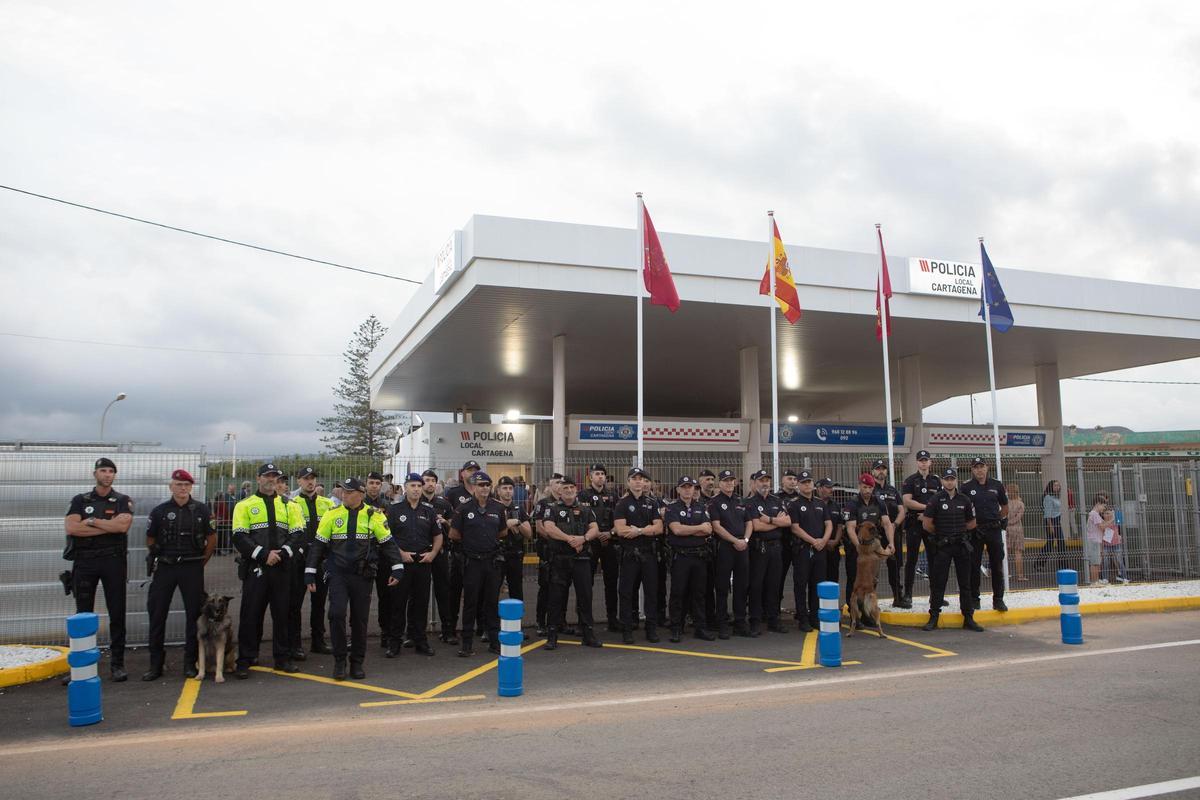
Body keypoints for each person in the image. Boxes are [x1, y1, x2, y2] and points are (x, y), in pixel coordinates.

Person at [306, 477, 403, 680]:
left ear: (360, 494)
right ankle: (339, 661)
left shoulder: (374, 515)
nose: (344, 495)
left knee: (359, 619)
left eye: (349, 492)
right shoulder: (331, 514)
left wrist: (397, 567)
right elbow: (318, 545)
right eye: (343, 491)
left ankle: (357, 662)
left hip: (362, 575)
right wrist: (310, 571)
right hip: (338, 574)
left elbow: (388, 543)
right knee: (336, 614)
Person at [232, 462, 305, 678]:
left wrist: (281, 554)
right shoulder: (244, 505)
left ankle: (282, 658)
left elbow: (298, 534)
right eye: (267, 476)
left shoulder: (290, 505)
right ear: (258, 478)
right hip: (256, 568)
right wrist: (264, 555)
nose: (271, 479)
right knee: (250, 615)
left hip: (282, 568)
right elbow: (239, 536)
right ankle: (246, 658)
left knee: (283, 615)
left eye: (275, 476)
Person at [64, 457, 134, 682]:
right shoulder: (80, 500)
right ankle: (81, 665)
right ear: (95, 474)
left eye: (111, 471)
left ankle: (117, 664)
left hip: (113, 561)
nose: (107, 474)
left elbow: (122, 526)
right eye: (103, 470)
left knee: (117, 612)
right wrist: (107, 526)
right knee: (83, 614)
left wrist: (91, 522)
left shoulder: (122, 500)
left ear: (114, 475)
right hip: (85, 562)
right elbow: (72, 528)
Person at [142, 469, 216, 681]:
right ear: (171, 487)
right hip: (165, 567)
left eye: (186, 485)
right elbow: (150, 538)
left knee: (194, 616)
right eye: (178, 484)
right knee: (157, 614)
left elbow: (212, 538)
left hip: (191, 567)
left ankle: (190, 663)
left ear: (191, 487)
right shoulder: (160, 511)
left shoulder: (202, 510)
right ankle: (156, 664)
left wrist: (201, 563)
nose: (182, 488)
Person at [542, 476, 603, 649]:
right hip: (560, 559)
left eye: (571, 488)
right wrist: (570, 539)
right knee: (556, 598)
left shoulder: (585, 509)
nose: (569, 490)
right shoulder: (552, 508)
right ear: (559, 491)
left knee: (585, 597)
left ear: (576, 490)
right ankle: (552, 636)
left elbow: (595, 529)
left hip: (581, 559)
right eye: (565, 488)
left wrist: (583, 539)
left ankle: (588, 634)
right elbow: (549, 528)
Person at [448, 471, 505, 657]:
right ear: (473, 487)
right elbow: (454, 534)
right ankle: (467, 644)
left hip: (491, 561)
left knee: (492, 602)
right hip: (472, 562)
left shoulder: (498, 507)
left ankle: (494, 642)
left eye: (487, 485)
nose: (485, 488)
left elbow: (502, 531)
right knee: (470, 603)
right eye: (481, 485)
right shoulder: (463, 508)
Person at [386, 473, 442, 657]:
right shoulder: (394, 510)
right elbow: (387, 537)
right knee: (398, 604)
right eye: (413, 485)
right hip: (401, 564)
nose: (416, 489)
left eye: (419, 486)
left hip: (422, 563)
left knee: (421, 604)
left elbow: (438, 535)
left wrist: (433, 554)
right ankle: (394, 643)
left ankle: (420, 641)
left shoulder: (428, 511)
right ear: (405, 488)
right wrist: (400, 554)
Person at [922, 468, 983, 632]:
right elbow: (927, 524)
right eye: (947, 479)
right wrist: (942, 534)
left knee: (965, 583)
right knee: (939, 583)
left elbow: (972, 523)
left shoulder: (965, 499)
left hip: (961, 546)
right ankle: (934, 617)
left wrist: (959, 532)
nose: (949, 482)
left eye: (952, 479)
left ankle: (968, 618)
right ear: (942, 481)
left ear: (956, 480)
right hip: (943, 546)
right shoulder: (935, 499)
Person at [288, 466, 334, 658]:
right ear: (298, 481)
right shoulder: (292, 503)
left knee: (319, 603)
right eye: (306, 478)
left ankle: (318, 641)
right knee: (295, 604)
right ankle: (295, 644)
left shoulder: (327, 503)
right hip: (299, 561)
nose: (310, 482)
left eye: (313, 478)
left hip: (321, 561)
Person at [662, 476, 715, 643]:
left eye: (690, 487)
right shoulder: (672, 508)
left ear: (694, 489)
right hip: (681, 557)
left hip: (699, 556)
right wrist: (698, 528)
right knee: (678, 593)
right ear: (678, 489)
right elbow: (677, 530)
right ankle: (676, 628)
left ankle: (700, 628)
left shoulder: (701, 507)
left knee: (699, 593)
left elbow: (708, 530)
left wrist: (689, 529)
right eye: (684, 487)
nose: (687, 490)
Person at [614, 467, 663, 644]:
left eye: (641, 479)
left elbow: (659, 528)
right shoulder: (622, 504)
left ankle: (651, 629)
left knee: (651, 592)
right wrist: (647, 530)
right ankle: (627, 630)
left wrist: (639, 531)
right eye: (634, 479)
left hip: (648, 554)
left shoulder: (652, 503)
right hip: (630, 555)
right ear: (628, 482)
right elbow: (621, 530)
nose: (638, 482)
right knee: (626, 593)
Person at [844, 473, 896, 626]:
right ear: (859, 486)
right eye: (865, 487)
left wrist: (891, 543)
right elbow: (850, 528)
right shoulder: (853, 503)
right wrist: (858, 547)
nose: (867, 490)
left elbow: (887, 523)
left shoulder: (878, 502)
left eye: (870, 487)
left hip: (872, 548)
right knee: (855, 582)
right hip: (856, 549)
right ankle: (855, 616)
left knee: (871, 582)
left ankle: (867, 614)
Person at [785, 470, 832, 633]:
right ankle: (803, 618)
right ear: (798, 485)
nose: (807, 485)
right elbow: (795, 528)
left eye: (809, 482)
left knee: (817, 585)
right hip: (803, 550)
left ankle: (814, 617)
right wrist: (814, 541)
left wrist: (823, 540)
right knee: (801, 585)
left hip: (820, 550)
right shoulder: (794, 504)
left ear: (813, 484)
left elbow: (829, 524)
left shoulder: (820, 503)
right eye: (803, 482)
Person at [745, 469, 790, 635]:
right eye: (761, 480)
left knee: (774, 585)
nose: (765, 483)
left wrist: (770, 520)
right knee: (756, 585)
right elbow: (756, 526)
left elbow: (788, 521)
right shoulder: (750, 502)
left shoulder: (776, 500)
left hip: (776, 548)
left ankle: (773, 620)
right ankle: (755, 621)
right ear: (755, 483)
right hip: (759, 548)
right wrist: (778, 522)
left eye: (767, 480)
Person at [962, 457, 1009, 612]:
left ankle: (998, 600)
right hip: (975, 531)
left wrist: (996, 519)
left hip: (993, 530)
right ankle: (974, 599)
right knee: (973, 566)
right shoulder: (966, 487)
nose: (979, 470)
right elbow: (962, 508)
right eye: (976, 467)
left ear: (987, 468)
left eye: (982, 466)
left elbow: (1005, 506)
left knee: (996, 565)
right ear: (972, 470)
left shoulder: (997, 485)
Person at [708, 469, 751, 639]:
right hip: (725, 547)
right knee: (722, 586)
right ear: (720, 483)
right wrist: (735, 541)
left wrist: (745, 540)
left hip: (742, 546)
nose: (729, 483)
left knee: (742, 585)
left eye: (731, 480)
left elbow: (749, 523)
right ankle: (722, 622)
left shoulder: (741, 500)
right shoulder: (714, 502)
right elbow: (716, 526)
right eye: (725, 480)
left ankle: (740, 621)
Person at [443, 461, 480, 642]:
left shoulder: (483, 492)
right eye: (469, 470)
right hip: (459, 550)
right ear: (462, 474)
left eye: (475, 471)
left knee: (478, 591)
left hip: (479, 551)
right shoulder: (453, 494)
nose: (472, 473)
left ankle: (481, 628)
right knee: (454, 592)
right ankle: (450, 630)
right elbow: (448, 519)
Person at [579, 464, 618, 632]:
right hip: (591, 543)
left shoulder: (613, 495)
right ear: (590, 477)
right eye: (597, 473)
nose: (600, 476)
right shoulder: (583, 495)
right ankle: (584, 622)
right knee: (586, 584)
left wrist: (610, 533)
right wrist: (595, 533)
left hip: (609, 541)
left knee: (611, 582)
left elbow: (619, 518)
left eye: (602, 474)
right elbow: (582, 518)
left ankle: (612, 619)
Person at [420, 470, 457, 645]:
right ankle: (415, 633)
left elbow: (454, 529)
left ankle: (447, 631)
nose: (430, 483)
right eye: (426, 480)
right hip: (420, 553)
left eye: (432, 480)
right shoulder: (415, 502)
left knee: (444, 592)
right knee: (418, 594)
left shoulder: (444, 504)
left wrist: (445, 522)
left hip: (440, 552)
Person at [900, 450, 941, 607]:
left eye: (926, 460)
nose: (923, 463)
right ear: (917, 462)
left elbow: (941, 500)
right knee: (911, 559)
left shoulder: (936, 481)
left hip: (931, 524)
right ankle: (908, 594)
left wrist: (927, 514)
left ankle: (935, 596)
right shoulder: (910, 481)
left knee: (934, 559)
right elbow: (907, 501)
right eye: (921, 460)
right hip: (914, 523)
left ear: (930, 462)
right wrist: (928, 508)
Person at [495, 476, 532, 637]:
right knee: (492, 591)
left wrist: (517, 522)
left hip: (515, 555)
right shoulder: (493, 508)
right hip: (497, 555)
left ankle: (517, 626)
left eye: (510, 488)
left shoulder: (519, 509)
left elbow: (529, 534)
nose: (508, 491)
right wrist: (506, 524)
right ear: (498, 491)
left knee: (517, 592)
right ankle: (491, 628)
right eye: (504, 488)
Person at [870, 459, 907, 607]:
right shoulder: (870, 490)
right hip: (876, 535)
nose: (881, 471)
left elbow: (902, 511)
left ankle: (898, 597)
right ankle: (871, 601)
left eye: (883, 469)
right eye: (878, 468)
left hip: (893, 533)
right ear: (873, 471)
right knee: (873, 568)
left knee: (895, 566)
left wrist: (895, 524)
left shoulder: (893, 490)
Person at [532, 474, 563, 636]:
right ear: (550, 486)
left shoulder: (567, 503)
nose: (559, 485)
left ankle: (560, 622)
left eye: (561, 482)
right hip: (548, 550)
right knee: (545, 588)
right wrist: (556, 539)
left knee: (562, 587)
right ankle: (541, 622)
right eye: (556, 483)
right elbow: (539, 527)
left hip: (563, 551)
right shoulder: (543, 503)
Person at [776, 469, 801, 620]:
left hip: (798, 543)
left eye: (794, 479)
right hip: (782, 543)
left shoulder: (800, 497)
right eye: (789, 478)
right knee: (778, 578)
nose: (792, 481)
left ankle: (801, 610)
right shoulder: (776, 498)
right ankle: (775, 610)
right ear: (783, 480)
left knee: (800, 579)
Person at [817, 478, 847, 604]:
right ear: (820, 488)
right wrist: (823, 542)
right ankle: (818, 606)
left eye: (831, 487)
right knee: (818, 579)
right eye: (828, 487)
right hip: (818, 548)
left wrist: (835, 541)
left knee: (833, 578)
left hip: (833, 548)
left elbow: (840, 525)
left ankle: (832, 605)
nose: (831, 490)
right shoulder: (814, 503)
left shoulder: (835, 505)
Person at [1005, 483, 1028, 582]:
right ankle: (1020, 576)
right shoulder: (1020, 504)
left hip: (1006, 528)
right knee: (1018, 552)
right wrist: (1012, 522)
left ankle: (1005, 573)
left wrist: (1006, 523)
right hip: (1017, 528)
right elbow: (1019, 517)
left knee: (1005, 551)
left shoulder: (1005, 503)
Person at [1085, 492, 1109, 585]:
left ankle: (1097, 580)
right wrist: (1112, 520)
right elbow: (1102, 526)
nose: (1103, 508)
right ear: (1098, 504)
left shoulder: (1096, 514)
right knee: (1095, 562)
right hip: (1094, 541)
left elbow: (1103, 525)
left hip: (1096, 541)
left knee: (1097, 562)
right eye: (1103, 506)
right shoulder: (1094, 514)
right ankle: (1094, 581)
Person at [1100, 507, 1129, 583]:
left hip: (1116, 543)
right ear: (1102, 515)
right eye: (1105, 513)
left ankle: (1124, 577)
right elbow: (1103, 527)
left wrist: (1115, 513)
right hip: (1106, 544)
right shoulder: (1102, 522)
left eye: (1108, 513)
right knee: (1105, 561)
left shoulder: (1116, 520)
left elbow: (1120, 519)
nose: (1107, 515)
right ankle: (1105, 578)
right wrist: (1112, 518)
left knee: (1119, 561)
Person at [1040, 480, 1065, 567]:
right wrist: (1051, 526)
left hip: (1057, 521)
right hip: (1051, 522)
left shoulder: (1055, 497)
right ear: (1051, 487)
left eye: (1058, 485)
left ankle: (1063, 565)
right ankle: (1039, 563)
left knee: (1061, 542)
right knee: (1051, 543)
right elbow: (1047, 513)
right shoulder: (1048, 497)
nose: (1057, 487)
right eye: (1055, 485)